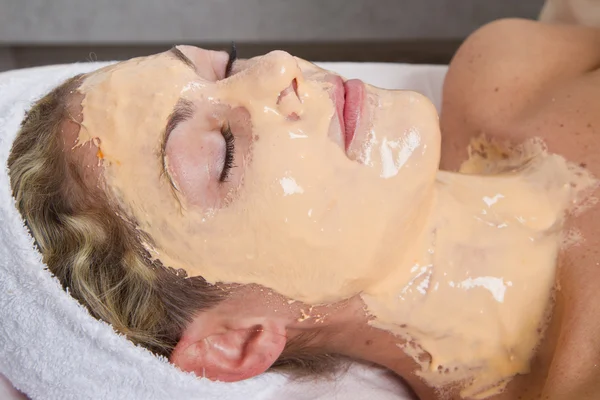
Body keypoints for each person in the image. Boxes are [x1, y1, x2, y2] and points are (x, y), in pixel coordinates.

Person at [7, 18, 600, 399]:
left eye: (228, 64)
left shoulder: (508, 71)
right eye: (224, 154)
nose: (282, 68)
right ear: (235, 343)